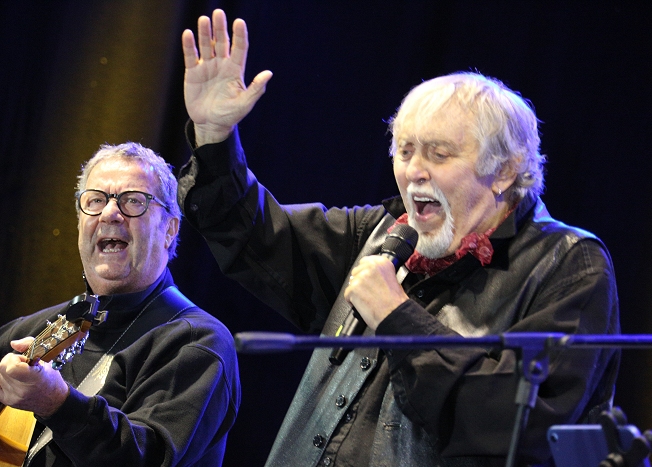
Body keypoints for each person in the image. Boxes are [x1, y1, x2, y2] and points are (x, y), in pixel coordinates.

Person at [177, 9, 620, 467]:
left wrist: (396, 315)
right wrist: (214, 136)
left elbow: (515, 429)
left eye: (439, 154)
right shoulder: (379, 233)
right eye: (405, 151)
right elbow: (255, 235)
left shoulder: (568, 265)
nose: (414, 171)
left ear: (505, 171)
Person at [0, 142, 241, 467]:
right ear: (80, 225)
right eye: (95, 200)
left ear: (169, 230)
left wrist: (57, 403)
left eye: (133, 200)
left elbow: (147, 459)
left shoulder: (197, 342)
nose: (109, 213)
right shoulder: (37, 329)